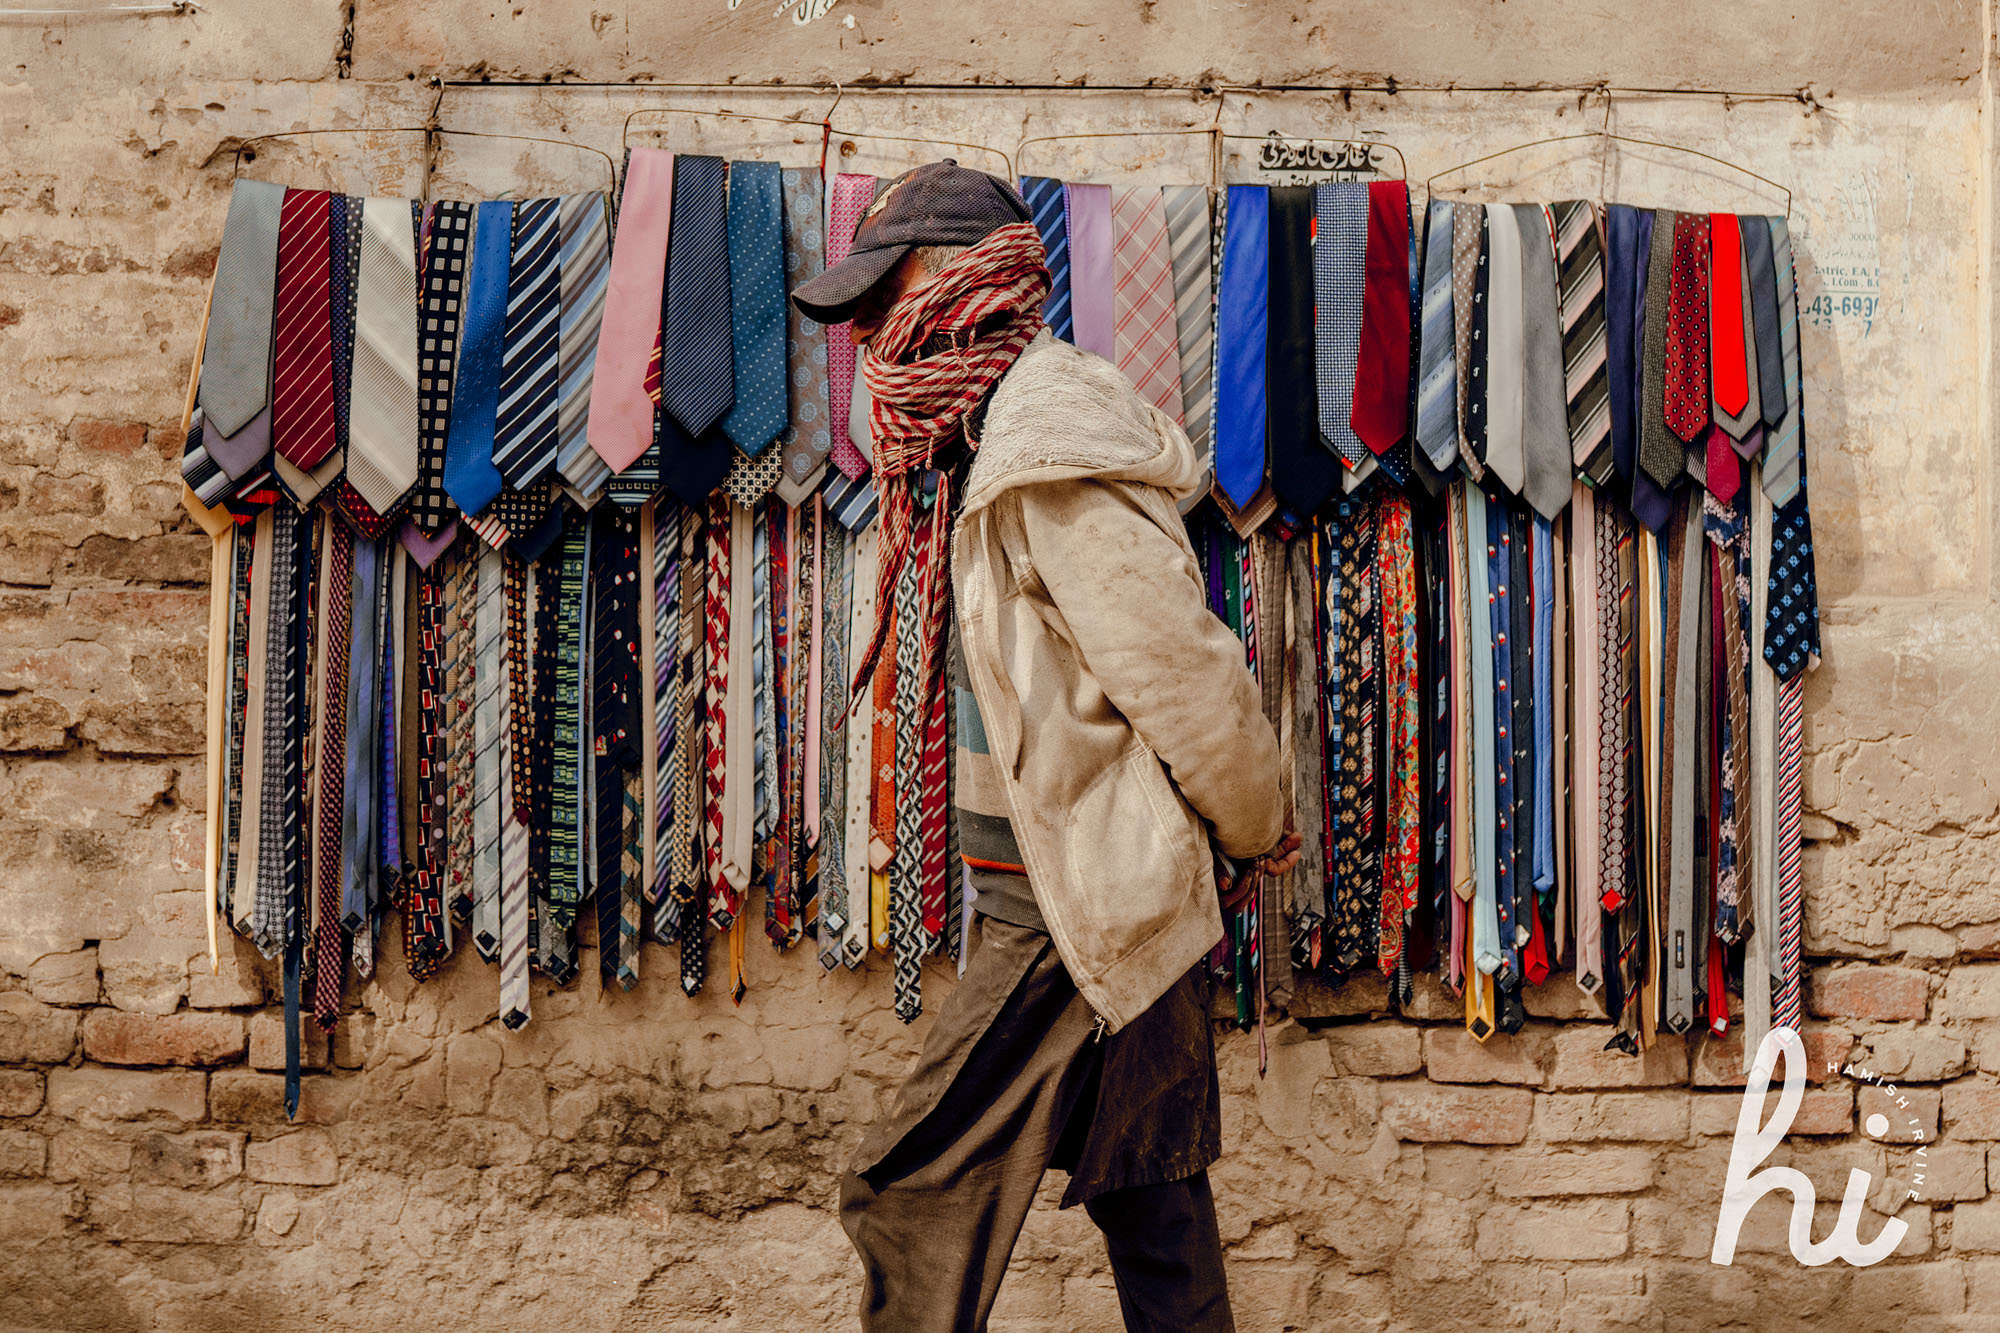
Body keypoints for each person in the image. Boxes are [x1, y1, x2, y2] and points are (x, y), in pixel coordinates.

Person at [790, 160, 1299, 1333]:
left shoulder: (1040, 442)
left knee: (908, 1194)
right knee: (1155, 1206)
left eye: (882, 294)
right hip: (1096, 898)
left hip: (1073, 913)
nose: (868, 328)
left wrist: (1254, 819)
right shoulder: (983, 435)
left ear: (951, 280)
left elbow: (1179, 667)